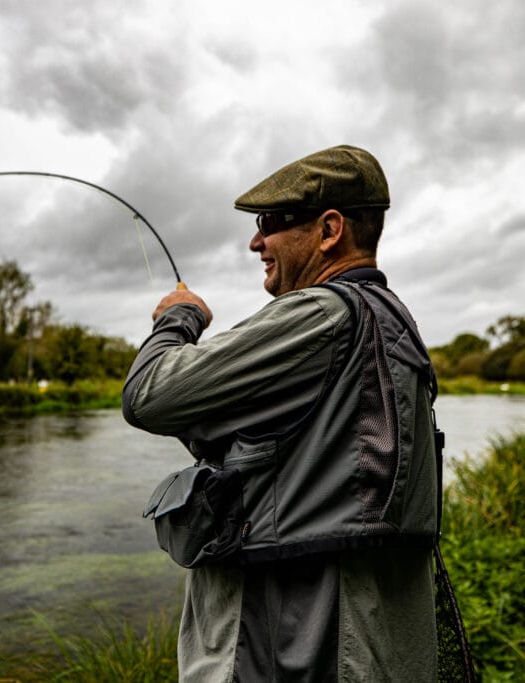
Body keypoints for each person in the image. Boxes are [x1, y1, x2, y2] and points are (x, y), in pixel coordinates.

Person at [123, 145, 441, 681]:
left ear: (329, 230)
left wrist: (177, 319)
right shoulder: (394, 323)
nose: (256, 242)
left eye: (269, 223)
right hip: (375, 646)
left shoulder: (318, 315)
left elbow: (149, 394)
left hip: (289, 648)